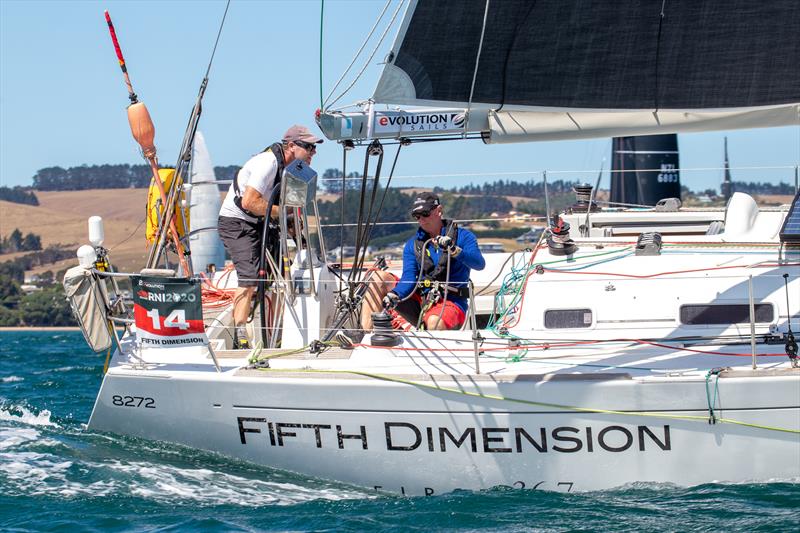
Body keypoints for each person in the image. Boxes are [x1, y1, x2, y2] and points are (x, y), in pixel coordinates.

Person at [217, 125, 322, 348]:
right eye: (309, 147)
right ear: (291, 146)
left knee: (278, 277)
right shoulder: (268, 163)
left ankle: (275, 332)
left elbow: (291, 207)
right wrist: (284, 213)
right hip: (237, 223)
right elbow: (250, 202)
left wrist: (301, 239)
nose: (313, 152)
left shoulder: (295, 170)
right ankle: (240, 334)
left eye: (314, 148)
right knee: (250, 276)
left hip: (261, 221)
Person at [382, 192, 485, 331]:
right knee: (378, 279)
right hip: (423, 301)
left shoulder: (464, 237)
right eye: (417, 216)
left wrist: (454, 250)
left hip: (451, 302)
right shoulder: (413, 245)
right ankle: (365, 337)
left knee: (434, 321)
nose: (421, 220)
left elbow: (479, 264)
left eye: (425, 214)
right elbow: (409, 278)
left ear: (439, 210)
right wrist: (394, 295)